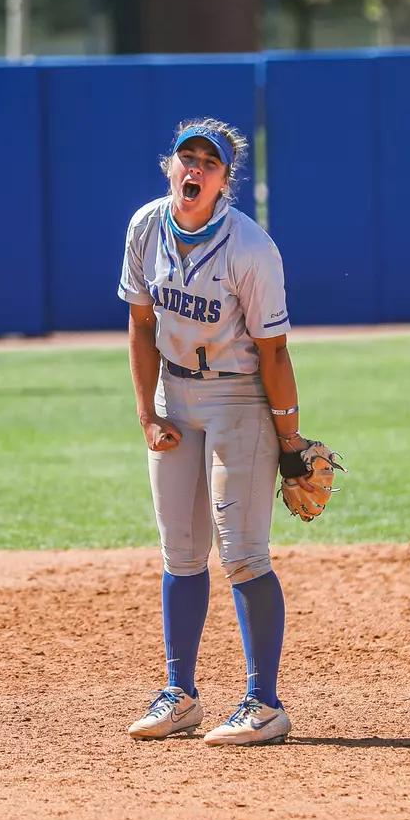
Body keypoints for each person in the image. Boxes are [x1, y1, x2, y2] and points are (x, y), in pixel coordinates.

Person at [118, 119, 306, 747]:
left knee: (243, 552)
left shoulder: (250, 249)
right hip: (175, 395)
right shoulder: (147, 227)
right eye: (186, 157)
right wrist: (147, 413)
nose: (195, 168)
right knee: (180, 550)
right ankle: (180, 693)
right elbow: (141, 325)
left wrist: (290, 443)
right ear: (169, 165)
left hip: (237, 397)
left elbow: (274, 354)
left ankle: (264, 702)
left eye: (211, 162)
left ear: (226, 180)